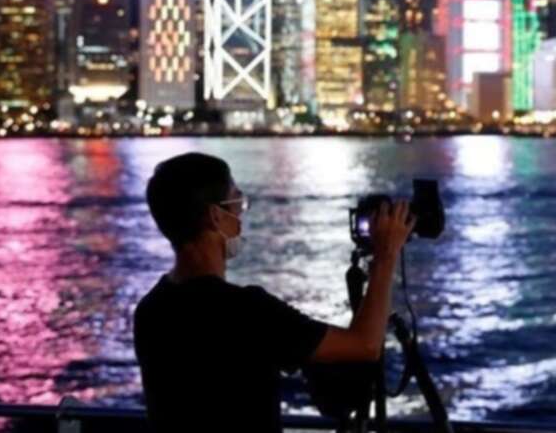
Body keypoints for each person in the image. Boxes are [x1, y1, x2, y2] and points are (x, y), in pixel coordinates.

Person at [133, 152, 415, 432]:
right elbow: (364, 345)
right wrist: (386, 254)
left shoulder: (150, 310)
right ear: (216, 216)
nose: (241, 213)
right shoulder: (246, 310)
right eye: (237, 200)